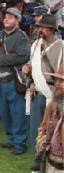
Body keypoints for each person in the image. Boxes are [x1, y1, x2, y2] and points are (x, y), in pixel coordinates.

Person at [23, 14, 64, 170]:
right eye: (39, 27)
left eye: (43, 28)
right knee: (37, 129)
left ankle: (53, 160)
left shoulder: (61, 46)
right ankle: (38, 157)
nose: (40, 30)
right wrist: (27, 69)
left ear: (51, 30)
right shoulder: (35, 45)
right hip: (37, 92)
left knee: (53, 130)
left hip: (54, 95)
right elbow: (32, 62)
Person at [0, 7, 31, 155]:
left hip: (14, 80)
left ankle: (20, 143)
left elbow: (22, 56)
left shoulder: (22, 37)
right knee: (5, 113)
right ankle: (12, 139)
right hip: (0, 81)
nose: (6, 19)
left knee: (18, 113)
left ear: (17, 21)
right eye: (5, 16)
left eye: (11, 17)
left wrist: (0, 59)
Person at [36, 64, 64, 172]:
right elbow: (42, 130)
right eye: (56, 80)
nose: (57, 84)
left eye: (62, 81)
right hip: (51, 164)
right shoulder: (52, 106)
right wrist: (42, 142)